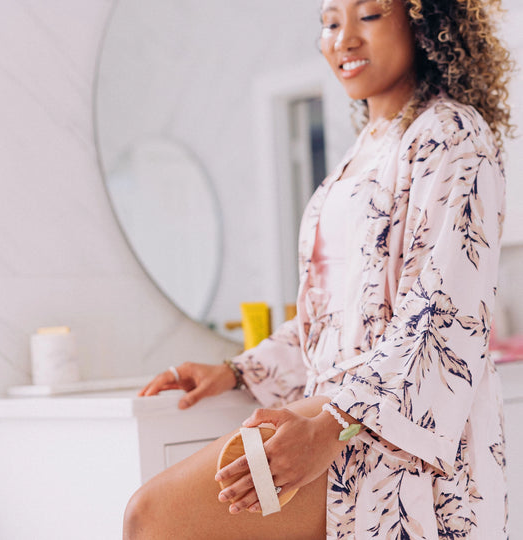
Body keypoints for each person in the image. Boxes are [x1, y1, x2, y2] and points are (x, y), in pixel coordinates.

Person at [124, 0, 513, 538]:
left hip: (393, 439)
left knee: (153, 518)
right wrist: (238, 371)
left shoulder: (452, 137)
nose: (344, 39)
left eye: (369, 16)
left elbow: (440, 323)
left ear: (423, 20)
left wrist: (331, 428)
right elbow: (330, 320)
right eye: (331, 22)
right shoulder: (360, 157)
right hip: (339, 415)